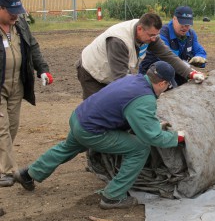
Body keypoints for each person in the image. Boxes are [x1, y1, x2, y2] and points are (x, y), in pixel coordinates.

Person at [15, 61, 186, 209]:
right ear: (163, 83)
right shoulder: (144, 98)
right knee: (140, 148)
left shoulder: (133, 79)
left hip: (79, 118)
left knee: (66, 148)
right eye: (168, 86)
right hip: (91, 130)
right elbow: (152, 137)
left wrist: (153, 124)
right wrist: (176, 137)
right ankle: (113, 197)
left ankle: (28, 174)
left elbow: (129, 112)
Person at [76, 12, 205, 100]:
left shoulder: (149, 35)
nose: (154, 39)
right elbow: (120, 79)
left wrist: (191, 73)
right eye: (151, 35)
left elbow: (168, 56)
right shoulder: (118, 41)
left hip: (111, 73)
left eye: (156, 35)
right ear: (139, 29)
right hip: (92, 73)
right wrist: (144, 91)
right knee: (97, 111)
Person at [0, 0, 53, 187]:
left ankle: (3, 164)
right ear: (1, 8)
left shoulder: (20, 24)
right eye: (11, 12)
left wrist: (43, 71)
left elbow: (33, 47)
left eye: (18, 11)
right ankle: (7, 171)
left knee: (11, 127)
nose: (15, 15)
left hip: (17, 84)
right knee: (2, 128)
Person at [139, 6, 207, 86]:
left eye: (188, 25)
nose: (185, 28)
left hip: (179, 70)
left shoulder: (191, 35)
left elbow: (199, 50)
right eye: (182, 23)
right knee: (172, 88)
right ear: (174, 19)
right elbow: (167, 58)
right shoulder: (162, 33)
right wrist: (189, 70)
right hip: (155, 72)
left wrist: (200, 58)